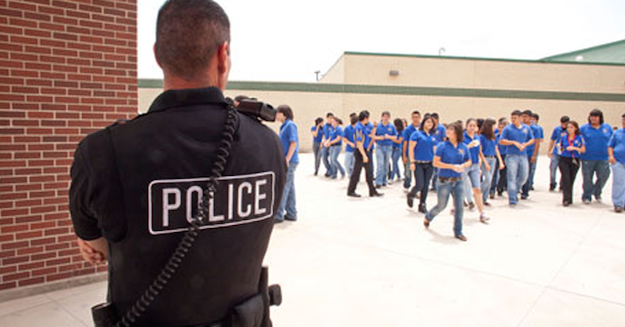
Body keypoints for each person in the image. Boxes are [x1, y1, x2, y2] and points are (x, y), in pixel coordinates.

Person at [69, 1, 286, 325]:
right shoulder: (268, 145)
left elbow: (97, 244)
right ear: (223, 55)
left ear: (157, 55)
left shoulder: (103, 152)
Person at [423, 122, 471, 242]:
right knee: (441, 205)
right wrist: (451, 166)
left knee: (459, 207)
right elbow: (436, 163)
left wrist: (463, 165)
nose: (447, 132)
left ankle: (458, 231)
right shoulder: (442, 146)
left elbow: (469, 161)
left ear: (457, 133)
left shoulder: (463, 146)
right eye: (447, 129)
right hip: (444, 181)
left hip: (458, 180)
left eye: (451, 130)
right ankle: (429, 216)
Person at [499, 110, 535, 207]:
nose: (513, 120)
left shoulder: (526, 128)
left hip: (523, 155)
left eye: (515, 118)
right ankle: (512, 199)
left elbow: (532, 139)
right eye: (512, 118)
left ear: (520, 118)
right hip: (511, 156)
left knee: (524, 176)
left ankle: (515, 191)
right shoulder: (507, 129)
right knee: (512, 177)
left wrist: (525, 144)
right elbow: (501, 141)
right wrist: (513, 142)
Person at [580, 109, 613, 204]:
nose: (593, 118)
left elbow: (612, 141)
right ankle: (586, 196)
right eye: (592, 116)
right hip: (587, 158)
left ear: (600, 118)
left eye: (596, 116)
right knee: (587, 178)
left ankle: (597, 192)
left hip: (603, 158)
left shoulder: (607, 128)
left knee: (604, 176)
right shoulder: (584, 128)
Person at [347, 111, 383, 198]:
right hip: (360, 151)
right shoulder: (358, 128)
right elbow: (359, 143)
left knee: (369, 172)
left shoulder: (363, 127)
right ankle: (351, 191)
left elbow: (370, 135)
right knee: (356, 172)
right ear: (366, 118)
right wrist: (364, 155)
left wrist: (374, 127)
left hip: (364, 151)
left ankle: (372, 191)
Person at [407, 115, 437, 213]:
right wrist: (411, 162)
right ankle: (411, 194)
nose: (430, 124)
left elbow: (435, 150)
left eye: (431, 122)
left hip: (429, 164)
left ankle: (422, 204)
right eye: (428, 122)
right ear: (423, 123)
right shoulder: (416, 134)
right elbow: (410, 148)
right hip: (418, 163)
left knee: (426, 185)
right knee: (420, 184)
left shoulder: (432, 137)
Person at [275, 105, 299, 222]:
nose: (276, 115)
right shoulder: (284, 126)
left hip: (290, 161)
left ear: (284, 114)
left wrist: (287, 159)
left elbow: (293, 143)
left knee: (284, 187)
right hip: (288, 160)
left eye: (278, 113)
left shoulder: (290, 125)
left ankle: (278, 215)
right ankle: (291, 213)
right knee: (290, 187)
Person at [462, 118, 488, 222]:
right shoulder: (462, 137)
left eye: (474, 126)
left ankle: (482, 213)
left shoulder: (477, 138)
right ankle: (456, 206)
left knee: (477, 189)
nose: (472, 128)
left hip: (475, 165)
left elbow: (479, 151)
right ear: (466, 126)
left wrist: (481, 162)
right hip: (465, 164)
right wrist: (469, 146)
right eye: (470, 125)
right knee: (461, 186)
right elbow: (459, 150)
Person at [557, 121, 586, 206]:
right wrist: (561, 148)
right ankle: (566, 199)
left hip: (574, 159)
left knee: (571, 179)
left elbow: (583, 149)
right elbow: (560, 149)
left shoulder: (579, 138)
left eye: (571, 127)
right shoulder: (563, 137)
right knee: (566, 178)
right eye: (568, 127)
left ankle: (570, 198)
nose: (569, 129)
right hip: (564, 159)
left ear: (576, 128)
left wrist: (574, 148)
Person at [480, 118, 504, 206]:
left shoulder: (493, 137)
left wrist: (500, 161)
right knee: (487, 178)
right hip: (485, 159)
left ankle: (484, 199)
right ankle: (478, 193)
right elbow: (480, 151)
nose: (495, 127)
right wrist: (484, 162)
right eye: (493, 125)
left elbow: (496, 148)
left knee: (490, 180)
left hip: (493, 159)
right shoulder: (481, 137)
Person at [521, 111, 543, 199]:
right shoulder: (520, 127)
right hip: (520, 153)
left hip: (530, 153)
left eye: (525, 117)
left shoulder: (536, 129)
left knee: (527, 172)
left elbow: (537, 143)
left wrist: (534, 155)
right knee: (520, 173)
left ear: (530, 118)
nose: (523, 119)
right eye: (522, 117)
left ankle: (525, 192)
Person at [374, 111, 398, 187]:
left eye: (387, 117)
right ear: (382, 117)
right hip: (379, 146)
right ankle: (378, 182)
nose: (385, 118)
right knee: (380, 164)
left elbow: (395, 137)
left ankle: (384, 180)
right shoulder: (378, 126)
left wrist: (389, 137)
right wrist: (379, 138)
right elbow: (373, 136)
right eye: (384, 116)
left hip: (388, 147)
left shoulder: (392, 127)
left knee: (386, 164)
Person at [547, 116, 570, 191]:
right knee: (552, 168)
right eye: (563, 124)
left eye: (566, 124)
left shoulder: (570, 130)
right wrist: (549, 150)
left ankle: (562, 184)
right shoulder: (557, 129)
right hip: (556, 151)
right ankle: (552, 183)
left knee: (564, 169)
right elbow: (552, 140)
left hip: (565, 152)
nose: (564, 125)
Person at [608, 114, 625, 212]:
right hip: (618, 161)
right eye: (623, 120)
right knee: (619, 182)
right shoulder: (617, 133)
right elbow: (610, 145)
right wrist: (611, 156)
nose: (624, 122)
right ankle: (618, 203)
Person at [402, 110, 421, 192]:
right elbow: (405, 142)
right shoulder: (408, 129)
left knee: (419, 172)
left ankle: (418, 187)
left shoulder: (423, 128)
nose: (415, 119)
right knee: (408, 171)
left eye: (417, 117)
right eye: (414, 117)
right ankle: (407, 184)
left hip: (420, 154)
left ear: (420, 118)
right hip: (410, 153)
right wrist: (404, 155)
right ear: (411, 118)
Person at [492, 117, 508, 198]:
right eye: (499, 127)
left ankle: (500, 188)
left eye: (503, 127)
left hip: (505, 155)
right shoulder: (495, 136)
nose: (501, 129)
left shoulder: (507, 137)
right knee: (494, 173)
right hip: (496, 155)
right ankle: (492, 190)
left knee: (503, 173)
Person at [320, 112, 335, 177]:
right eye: (330, 118)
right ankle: (329, 169)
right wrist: (322, 142)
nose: (331, 119)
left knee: (332, 159)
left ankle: (332, 171)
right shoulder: (325, 126)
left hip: (331, 144)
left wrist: (328, 141)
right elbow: (323, 134)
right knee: (324, 158)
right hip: (325, 144)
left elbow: (332, 135)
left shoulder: (334, 126)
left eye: (332, 118)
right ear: (327, 118)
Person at [390, 118, 404, 182]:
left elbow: (399, 141)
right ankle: (399, 176)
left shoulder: (402, 132)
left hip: (398, 148)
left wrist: (391, 138)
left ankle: (392, 177)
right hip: (392, 147)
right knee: (394, 162)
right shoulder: (394, 131)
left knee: (394, 162)